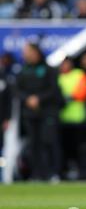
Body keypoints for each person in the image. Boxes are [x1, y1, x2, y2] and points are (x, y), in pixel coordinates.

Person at [15, 42, 62, 181]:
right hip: (30, 114)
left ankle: (53, 173)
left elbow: (54, 90)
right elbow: (17, 90)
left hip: (47, 112)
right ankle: (37, 174)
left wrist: (38, 99)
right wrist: (28, 99)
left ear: (36, 52)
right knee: (33, 144)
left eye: (27, 51)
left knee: (48, 142)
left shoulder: (49, 69)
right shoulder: (23, 70)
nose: (25, 54)